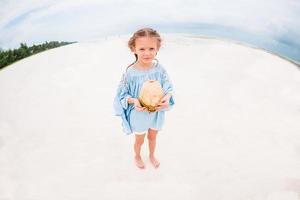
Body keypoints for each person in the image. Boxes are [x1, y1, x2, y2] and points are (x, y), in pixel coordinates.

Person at [113, 28, 175, 169]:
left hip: (156, 112)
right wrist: (134, 101)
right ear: (133, 49)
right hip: (139, 113)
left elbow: (168, 87)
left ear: (157, 49)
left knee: (153, 137)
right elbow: (122, 95)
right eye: (142, 49)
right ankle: (137, 156)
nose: (147, 53)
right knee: (139, 140)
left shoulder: (160, 70)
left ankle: (152, 155)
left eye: (151, 48)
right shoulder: (130, 73)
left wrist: (167, 97)